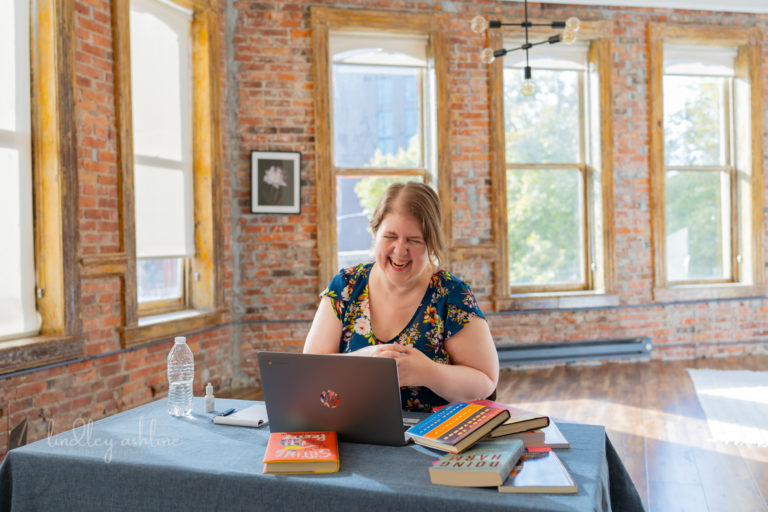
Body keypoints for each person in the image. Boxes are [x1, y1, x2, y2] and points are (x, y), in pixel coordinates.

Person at [303, 181, 499, 412]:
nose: (400, 250)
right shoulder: (346, 286)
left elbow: (485, 381)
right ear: (375, 234)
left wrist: (428, 372)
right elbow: (310, 371)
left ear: (431, 243)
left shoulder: (452, 295)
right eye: (390, 236)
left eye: (414, 240)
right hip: (352, 430)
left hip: (431, 439)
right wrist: (363, 361)